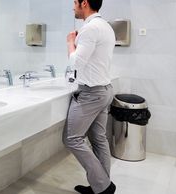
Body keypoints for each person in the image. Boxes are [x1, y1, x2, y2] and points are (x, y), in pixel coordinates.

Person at [62, 0, 116, 194]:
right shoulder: (106, 27)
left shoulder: (90, 28)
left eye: (75, 2)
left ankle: (103, 185)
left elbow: (76, 63)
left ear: (84, 3)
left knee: (72, 139)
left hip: (91, 94)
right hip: (104, 89)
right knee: (99, 139)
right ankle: (100, 187)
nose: (73, 6)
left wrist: (70, 42)